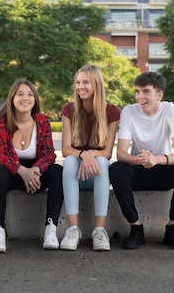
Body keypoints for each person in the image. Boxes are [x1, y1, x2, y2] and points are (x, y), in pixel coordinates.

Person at [109, 72, 174, 250]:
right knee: (116, 168)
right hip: (138, 170)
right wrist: (139, 159)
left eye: (146, 91)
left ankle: (172, 228)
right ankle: (136, 228)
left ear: (159, 95)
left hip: (162, 170)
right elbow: (121, 153)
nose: (140, 97)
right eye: (137, 91)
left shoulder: (170, 110)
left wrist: (156, 159)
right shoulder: (128, 111)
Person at [0, 79, 63, 253]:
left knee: (58, 171)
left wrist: (36, 170)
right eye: (20, 94)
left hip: (35, 176)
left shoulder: (42, 122)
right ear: (12, 98)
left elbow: (50, 154)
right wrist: (21, 171)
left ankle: (51, 229)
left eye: (29, 94)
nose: (25, 98)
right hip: (10, 175)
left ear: (35, 100)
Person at [59, 65, 120, 251]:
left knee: (102, 161)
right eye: (78, 82)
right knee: (69, 161)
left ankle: (99, 231)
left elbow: (108, 153)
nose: (80, 87)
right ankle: (73, 229)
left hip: (96, 175)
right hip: (75, 174)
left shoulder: (112, 112)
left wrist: (93, 154)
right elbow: (65, 149)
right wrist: (82, 154)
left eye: (85, 82)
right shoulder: (69, 110)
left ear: (96, 84)